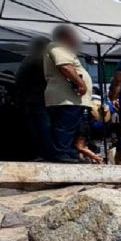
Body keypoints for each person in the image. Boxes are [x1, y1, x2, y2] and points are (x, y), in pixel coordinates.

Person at [43, 25, 91, 163]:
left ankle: (68, 153)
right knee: (64, 127)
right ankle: (62, 153)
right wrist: (81, 84)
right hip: (65, 98)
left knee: (70, 127)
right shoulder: (57, 46)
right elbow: (64, 66)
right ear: (65, 36)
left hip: (70, 98)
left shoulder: (61, 48)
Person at [14, 37, 52, 161]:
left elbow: (19, 78)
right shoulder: (48, 59)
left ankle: (41, 153)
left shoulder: (31, 59)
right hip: (47, 98)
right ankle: (46, 153)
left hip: (35, 98)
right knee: (45, 127)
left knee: (39, 127)